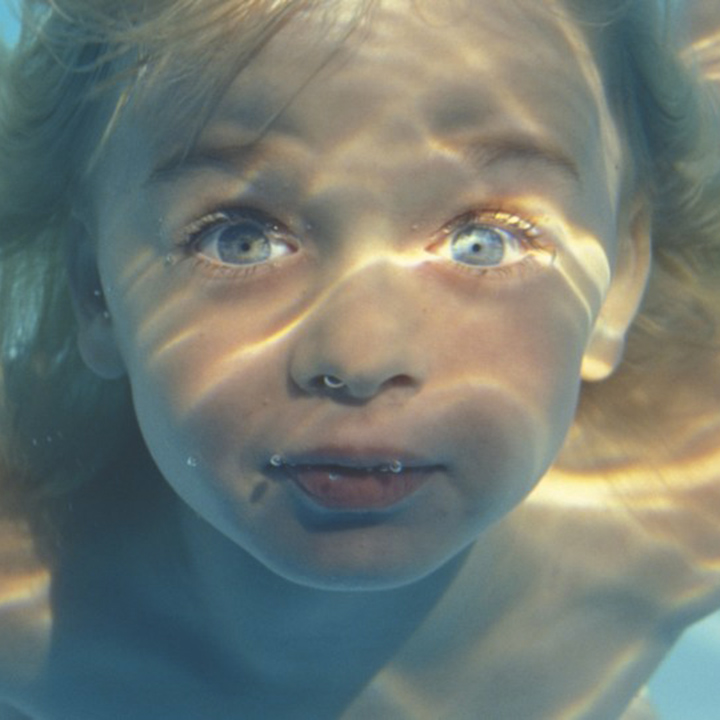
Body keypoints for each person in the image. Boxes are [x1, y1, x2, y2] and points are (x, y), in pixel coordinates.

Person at [0, 0, 718, 717]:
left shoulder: (683, 508)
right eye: (241, 239)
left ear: (622, 276)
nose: (361, 356)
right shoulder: (23, 593)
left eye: (484, 241)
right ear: (94, 288)